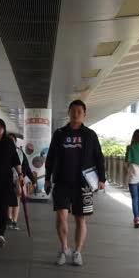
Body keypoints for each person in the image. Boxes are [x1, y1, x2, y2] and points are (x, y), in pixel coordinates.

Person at [45, 100, 106, 267]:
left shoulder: (90, 135)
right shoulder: (59, 134)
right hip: (62, 182)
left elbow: (99, 157)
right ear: (69, 112)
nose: (76, 113)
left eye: (79, 111)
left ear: (84, 114)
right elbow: (50, 158)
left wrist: (102, 179)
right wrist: (47, 178)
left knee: (80, 219)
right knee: (61, 216)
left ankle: (77, 251)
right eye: (73, 110)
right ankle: (64, 249)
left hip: (83, 184)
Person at [7, 133, 33, 230]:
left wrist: (32, 179)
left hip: (18, 180)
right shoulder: (3, 151)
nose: (10, 142)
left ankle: (14, 221)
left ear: (15, 141)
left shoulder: (20, 152)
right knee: (8, 201)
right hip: (6, 180)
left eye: (12, 140)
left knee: (17, 200)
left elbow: (26, 166)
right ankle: (8, 219)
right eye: (8, 140)